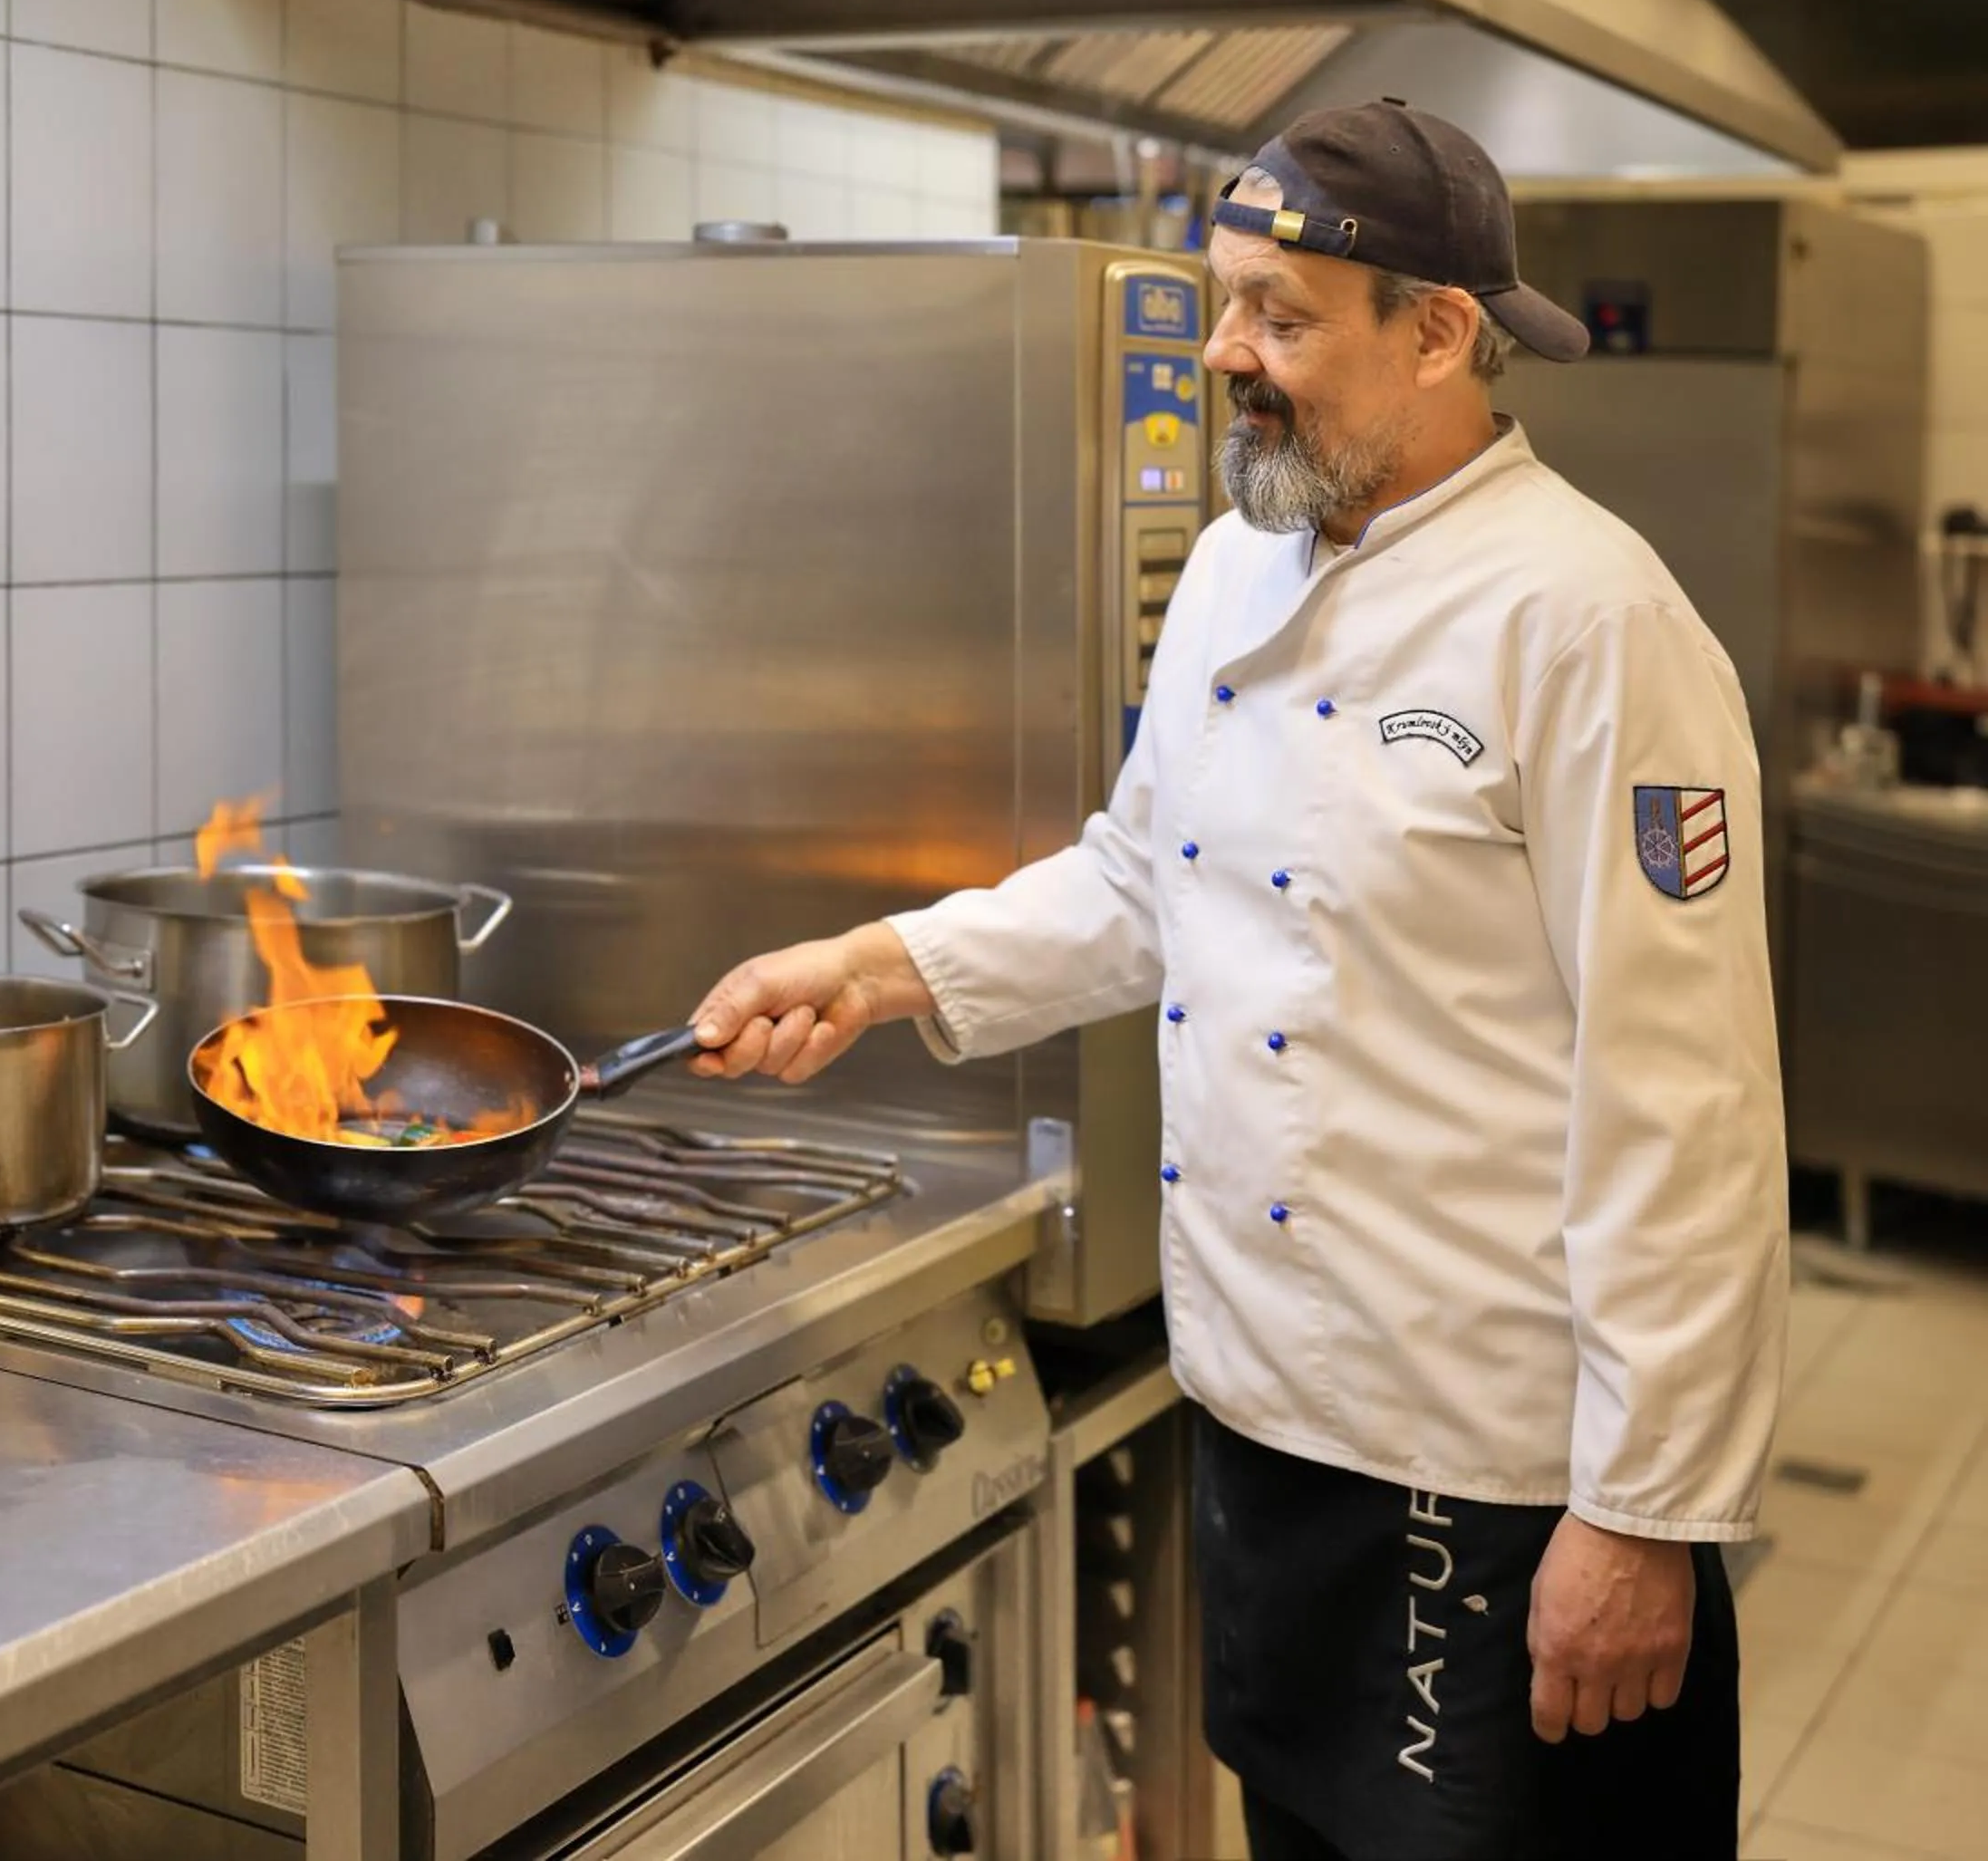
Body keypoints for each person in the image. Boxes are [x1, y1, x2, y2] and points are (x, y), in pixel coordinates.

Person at [683, 99, 1787, 1861]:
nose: (1223, 355)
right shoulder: (1231, 565)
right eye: (1222, 305)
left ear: (1437, 332)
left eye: (1279, 315)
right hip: (1267, 1424)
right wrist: (881, 963)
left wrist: (1644, 1511)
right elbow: (1151, 876)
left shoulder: (1591, 619)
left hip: (1491, 1468)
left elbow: (1689, 1099)